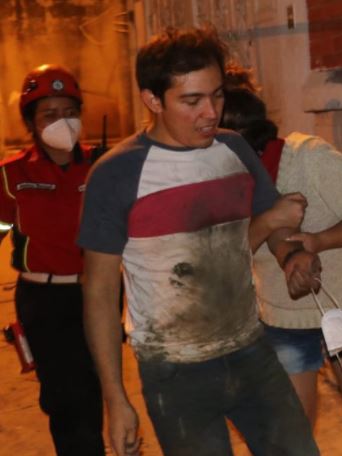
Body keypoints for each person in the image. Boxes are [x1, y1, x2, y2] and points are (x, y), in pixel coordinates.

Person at [78, 28, 320, 456]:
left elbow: (272, 221)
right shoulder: (116, 174)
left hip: (251, 350)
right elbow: (98, 292)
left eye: (218, 95)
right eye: (192, 101)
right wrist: (114, 399)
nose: (211, 112)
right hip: (174, 370)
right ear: (153, 100)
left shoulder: (234, 148)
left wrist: (292, 255)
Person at [220, 67, 342, 455]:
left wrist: (317, 241)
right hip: (284, 321)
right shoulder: (220, 183)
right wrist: (266, 224)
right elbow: (227, 257)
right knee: (291, 439)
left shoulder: (310, 157)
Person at [0, 64, 105, 455]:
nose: (62, 121)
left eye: (70, 112)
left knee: (96, 386)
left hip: (98, 292)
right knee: (64, 396)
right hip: (43, 302)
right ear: (30, 121)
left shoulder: (103, 166)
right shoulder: (11, 175)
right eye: (49, 114)